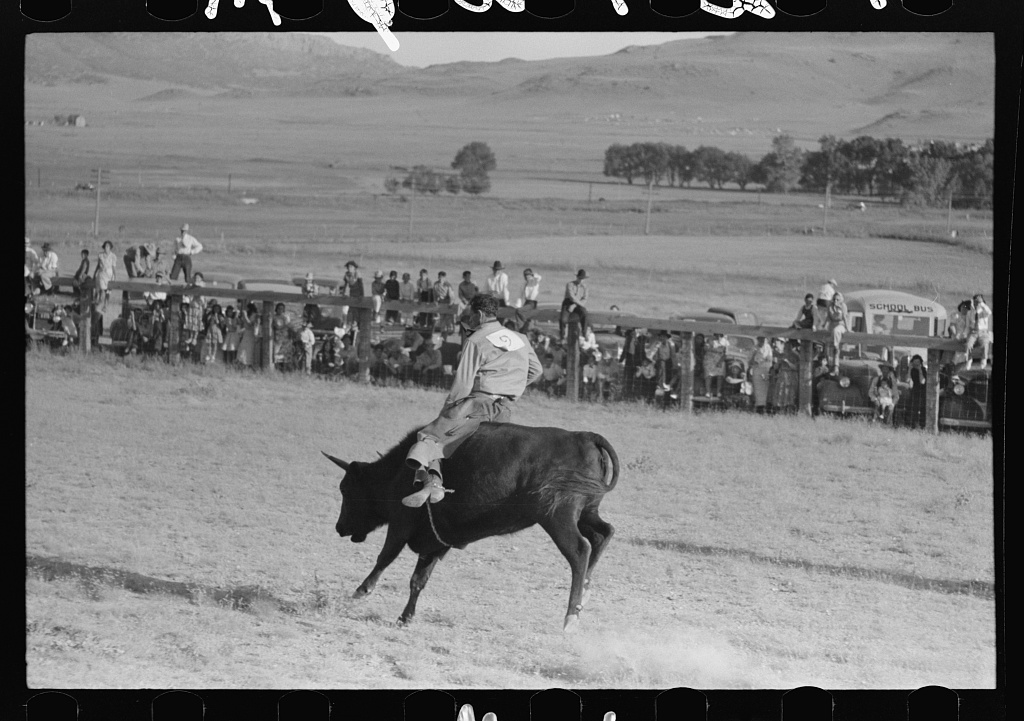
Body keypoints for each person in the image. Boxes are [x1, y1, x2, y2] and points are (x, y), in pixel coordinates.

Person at [402, 293, 542, 507]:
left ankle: (434, 484)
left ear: (479, 314)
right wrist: (512, 386)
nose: (468, 319)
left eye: (469, 314)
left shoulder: (475, 340)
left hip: (477, 405)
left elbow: (462, 385)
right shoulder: (520, 338)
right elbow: (536, 370)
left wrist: (447, 411)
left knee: (429, 434)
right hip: (505, 409)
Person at [559, 269, 589, 342]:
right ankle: (562, 336)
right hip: (568, 302)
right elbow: (572, 296)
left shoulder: (585, 287)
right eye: (580, 278)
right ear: (577, 277)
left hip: (578, 304)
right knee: (563, 319)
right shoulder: (570, 284)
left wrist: (574, 305)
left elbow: (585, 298)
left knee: (584, 313)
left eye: (582, 279)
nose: (581, 280)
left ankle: (584, 332)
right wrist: (574, 304)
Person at [771, 340, 800, 414]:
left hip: (791, 376)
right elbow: (775, 367)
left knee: (790, 394)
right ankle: (780, 411)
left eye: (788, 346)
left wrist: (788, 362)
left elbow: (796, 368)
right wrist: (779, 362)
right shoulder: (782, 355)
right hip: (782, 376)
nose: (786, 348)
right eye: (785, 346)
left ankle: (790, 411)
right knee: (781, 393)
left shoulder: (796, 355)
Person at [964, 294, 992, 370]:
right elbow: (967, 326)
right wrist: (965, 334)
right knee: (968, 345)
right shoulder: (970, 312)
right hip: (973, 332)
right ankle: (969, 360)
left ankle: (983, 360)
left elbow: (989, 312)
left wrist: (981, 303)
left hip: (983, 332)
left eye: (978, 301)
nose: (977, 303)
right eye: (975, 301)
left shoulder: (984, 311)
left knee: (985, 344)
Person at [825, 291, 849, 374]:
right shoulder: (830, 306)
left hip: (840, 325)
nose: (835, 301)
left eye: (837, 299)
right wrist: (824, 325)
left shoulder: (843, 306)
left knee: (836, 332)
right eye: (834, 299)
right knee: (827, 342)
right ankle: (829, 365)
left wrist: (848, 329)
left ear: (840, 300)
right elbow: (828, 317)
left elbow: (845, 318)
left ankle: (836, 346)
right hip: (832, 325)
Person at [749, 336, 774, 414]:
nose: (762, 341)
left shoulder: (768, 348)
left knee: (766, 390)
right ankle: (759, 408)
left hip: (765, 370)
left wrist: (765, 360)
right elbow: (749, 361)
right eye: (760, 340)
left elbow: (770, 359)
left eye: (763, 339)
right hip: (757, 370)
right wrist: (754, 357)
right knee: (758, 390)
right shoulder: (754, 348)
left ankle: (766, 407)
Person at [703, 332, 730, 398]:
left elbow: (726, 353)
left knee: (720, 376)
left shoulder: (726, 342)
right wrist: (713, 348)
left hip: (720, 359)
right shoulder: (710, 340)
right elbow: (705, 348)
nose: (718, 336)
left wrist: (720, 361)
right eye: (717, 334)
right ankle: (708, 392)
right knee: (708, 375)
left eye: (720, 334)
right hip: (709, 359)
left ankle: (718, 392)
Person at [339, 261, 364, 327]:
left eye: (351, 267)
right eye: (348, 267)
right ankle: (346, 323)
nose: (349, 268)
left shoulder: (357, 274)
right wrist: (343, 293)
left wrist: (361, 295)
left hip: (357, 293)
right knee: (348, 309)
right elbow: (344, 285)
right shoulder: (346, 275)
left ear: (354, 268)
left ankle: (355, 322)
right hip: (350, 293)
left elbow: (361, 285)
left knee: (356, 309)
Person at [93, 240, 117, 312]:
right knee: (101, 287)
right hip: (102, 273)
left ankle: (105, 305)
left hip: (109, 273)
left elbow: (114, 267)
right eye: (105, 246)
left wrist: (115, 276)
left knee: (108, 291)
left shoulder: (113, 256)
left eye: (108, 246)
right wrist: (95, 273)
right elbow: (98, 265)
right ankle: (99, 300)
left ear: (110, 248)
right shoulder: (100, 255)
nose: (106, 248)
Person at [236, 302, 260, 367]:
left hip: (251, 334)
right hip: (246, 334)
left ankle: (248, 364)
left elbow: (250, 325)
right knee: (242, 349)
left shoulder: (254, 315)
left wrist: (245, 316)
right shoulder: (248, 315)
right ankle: (242, 364)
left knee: (249, 350)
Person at [907, 354, 927, 429]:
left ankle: (922, 425)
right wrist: (909, 369)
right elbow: (908, 380)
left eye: (918, 362)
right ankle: (913, 425)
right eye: (915, 362)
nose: (916, 364)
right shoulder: (911, 370)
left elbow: (922, 381)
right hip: (914, 391)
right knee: (913, 408)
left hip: (922, 391)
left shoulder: (923, 370)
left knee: (922, 409)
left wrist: (920, 370)